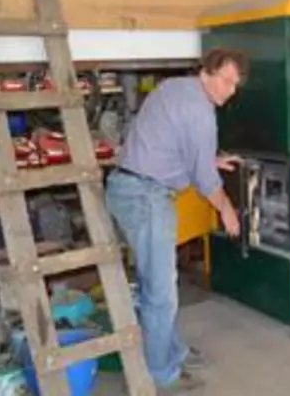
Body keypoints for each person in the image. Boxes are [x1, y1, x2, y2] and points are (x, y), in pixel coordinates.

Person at [105, 47, 248, 393]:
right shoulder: (201, 111)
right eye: (226, 81)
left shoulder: (175, 88)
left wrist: (209, 160)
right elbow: (204, 180)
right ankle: (160, 372)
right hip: (146, 195)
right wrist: (226, 208)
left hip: (129, 186)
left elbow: (170, 143)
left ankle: (173, 350)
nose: (229, 91)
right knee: (161, 291)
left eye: (235, 86)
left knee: (156, 283)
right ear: (209, 71)